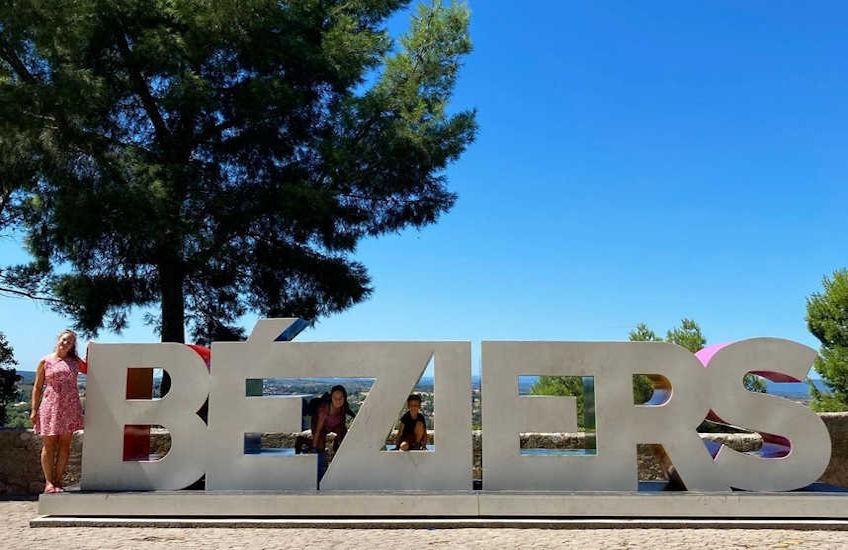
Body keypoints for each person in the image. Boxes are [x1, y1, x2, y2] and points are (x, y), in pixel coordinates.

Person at [30, 330, 86, 493]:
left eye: (70, 342)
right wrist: (34, 409)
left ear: (72, 345)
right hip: (50, 406)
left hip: (69, 406)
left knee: (65, 445)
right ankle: (49, 482)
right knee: (49, 445)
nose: (66, 343)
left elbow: (90, 368)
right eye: (64, 340)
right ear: (58, 340)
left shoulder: (75, 361)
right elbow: (37, 387)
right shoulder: (45, 361)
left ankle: (58, 480)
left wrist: (90, 349)